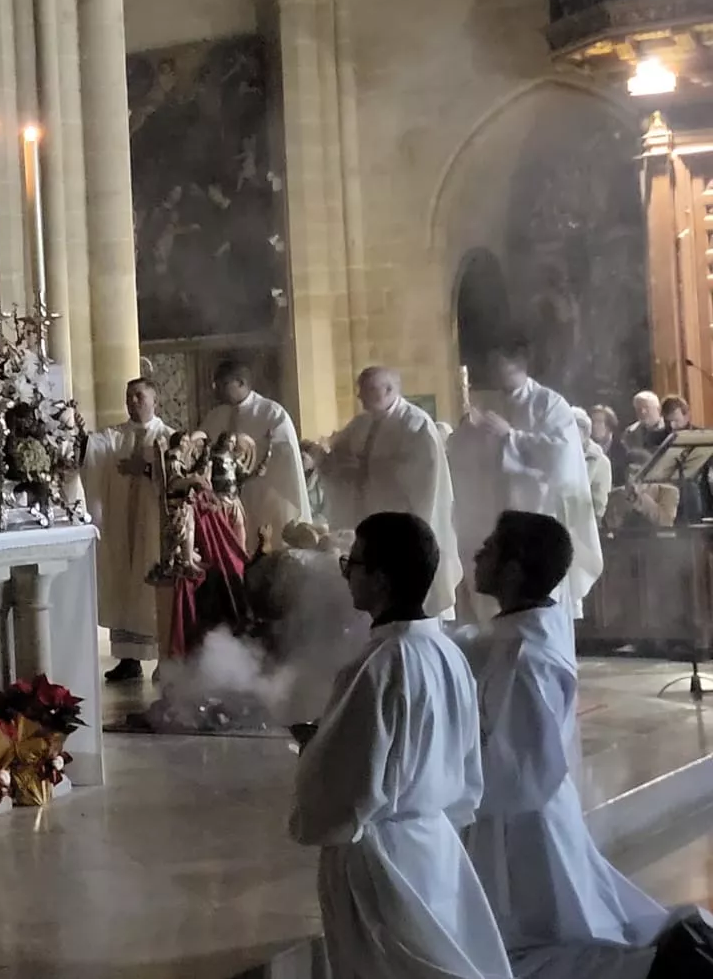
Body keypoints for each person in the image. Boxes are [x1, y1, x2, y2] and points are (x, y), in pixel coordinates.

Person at [463, 511, 712, 977]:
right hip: (531, 814)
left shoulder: (525, 659)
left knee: (541, 941)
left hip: (519, 829)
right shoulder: (525, 630)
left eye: (491, 549)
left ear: (514, 571)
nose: (478, 555)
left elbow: (514, 772)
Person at [290, 511, 510, 979]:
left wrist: (315, 751)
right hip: (434, 845)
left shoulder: (379, 665)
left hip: (381, 858)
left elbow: (348, 788)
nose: (347, 572)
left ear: (383, 580)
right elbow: (463, 758)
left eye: (355, 563)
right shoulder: (448, 652)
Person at [447, 339, 601, 625]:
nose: (494, 373)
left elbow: (560, 455)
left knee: (537, 591)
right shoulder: (487, 403)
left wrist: (511, 437)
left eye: (500, 365)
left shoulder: (549, 403)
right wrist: (466, 435)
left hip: (538, 517)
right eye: (491, 366)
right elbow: (460, 451)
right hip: (495, 513)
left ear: (519, 364)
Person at [318, 366, 460, 617]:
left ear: (389, 390)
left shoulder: (416, 424)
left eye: (366, 390)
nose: (360, 396)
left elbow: (423, 476)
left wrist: (365, 470)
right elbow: (339, 458)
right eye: (359, 390)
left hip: (402, 528)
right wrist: (327, 461)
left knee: (404, 593)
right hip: (366, 521)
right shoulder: (361, 423)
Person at [83, 378, 172, 682]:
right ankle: (128, 659)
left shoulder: (168, 437)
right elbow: (91, 449)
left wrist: (147, 470)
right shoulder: (115, 437)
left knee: (151, 589)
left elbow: (177, 473)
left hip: (153, 526)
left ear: (154, 400)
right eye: (129, 397)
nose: (133, 401)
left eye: (139, 396)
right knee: (123, 584)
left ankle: (164, 657)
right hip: (121, 523)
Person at [199, 360, 311, 551]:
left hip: (263, 494)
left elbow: (285, 454)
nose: (216, 390)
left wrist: (250, 451)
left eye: (223, 384)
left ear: (241, 383)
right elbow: (203, 450)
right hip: (225, 500)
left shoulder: (272, 413)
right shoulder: (215, 416)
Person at [573, 409, 611, 528]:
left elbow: (599, 504)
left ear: (585, 432)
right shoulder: (557, 456)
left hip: (584, 526)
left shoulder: (600, 462)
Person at [588, 405, 628, 487]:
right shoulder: (586, 449)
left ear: (610, 425)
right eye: (592, 421)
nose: (594, 426)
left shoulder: (622, 451)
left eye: (599, 422)